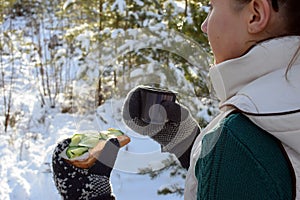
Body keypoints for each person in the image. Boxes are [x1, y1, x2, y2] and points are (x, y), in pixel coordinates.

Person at [52, 0, 300, 199]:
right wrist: (191, 143)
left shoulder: (238, 143)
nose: (204, 26)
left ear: (255, 14)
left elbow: (251, 165)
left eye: (212, 7)